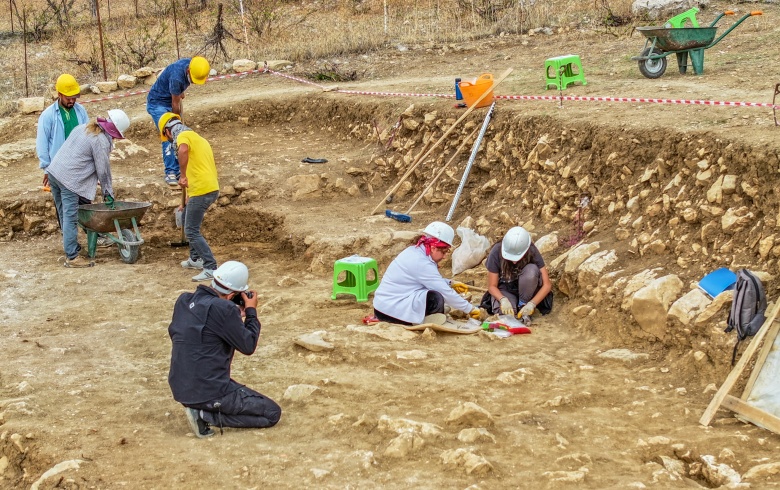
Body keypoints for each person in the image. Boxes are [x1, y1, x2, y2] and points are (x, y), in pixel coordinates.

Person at [168, 261, 282, 438]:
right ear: (233, 295)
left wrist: (233, 318)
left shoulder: (184, 300)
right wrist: (250, 311)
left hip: (180, 386)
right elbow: (248, 345)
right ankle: (206, 415)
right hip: (209, 391)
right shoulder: (225, 309)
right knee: (272, 413)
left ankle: (201, 408)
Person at [47, 109, 130, 268]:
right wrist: (108, 194)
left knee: (64, 213)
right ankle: (72, 256)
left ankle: (71, 248)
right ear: (114, 131)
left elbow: (76, 155)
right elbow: (103, 170)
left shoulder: (83, 127)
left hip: (54, 173)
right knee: (70, 216)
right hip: (69, 180)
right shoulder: (100, 140)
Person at [373, 221, 482, 325]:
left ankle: (429, 314)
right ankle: (420, 319)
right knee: (436, 298)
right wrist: (471, 309)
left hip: (385, 305)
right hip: (390, 311)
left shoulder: (415, 252)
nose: (444, 256)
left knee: (434, 296)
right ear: (434, 248)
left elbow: (426, 280)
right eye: (444, 252)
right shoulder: (421, 263)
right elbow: (444, 292)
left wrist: (450, 283)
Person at [158, 112, 219, 282]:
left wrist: (182, 175)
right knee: (186, 218)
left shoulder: (183, 136)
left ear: (168, 131)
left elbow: (183, 150)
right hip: (207, 187)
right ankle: (195, 259)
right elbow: (198, 168)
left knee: (191, 230)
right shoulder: (199, 138)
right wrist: (186, 200)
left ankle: (210, 267)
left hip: (202, 190)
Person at [146, 56, 210, 186]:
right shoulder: (177, 77)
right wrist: (176, 125)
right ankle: (171, 171)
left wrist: (180, 92)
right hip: (158, 104)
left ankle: (180, 170)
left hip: (170, 99)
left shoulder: (193, 65)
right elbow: (175, 105)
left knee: (177, 134)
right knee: (170, 134)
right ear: (188, 71)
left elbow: (177, 93)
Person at [484, 226, 552, 324]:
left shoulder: (531, 250)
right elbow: (492, 286)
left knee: (531, 271)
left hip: (527, 288)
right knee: (506, 315)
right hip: (505, 289)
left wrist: (532, 304)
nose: (514, 262)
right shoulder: (496, 251)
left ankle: (522, 305)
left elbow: (547, 284)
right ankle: (514, 306)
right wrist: (502, 299)